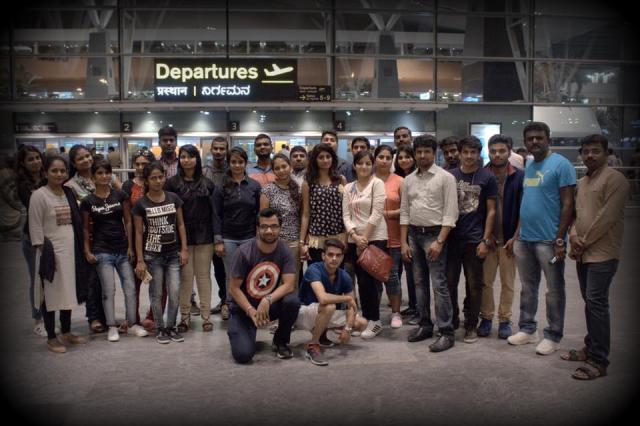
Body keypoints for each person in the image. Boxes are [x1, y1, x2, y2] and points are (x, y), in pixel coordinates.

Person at [564, 134, 630, 380]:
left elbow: (607, 218)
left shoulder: (616, 180)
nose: (590, 155)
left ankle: (599, 360)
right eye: (586, 151)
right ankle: (590, 347)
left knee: (597, 304)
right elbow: (575, 215)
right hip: (583, 253)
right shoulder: (582, 182)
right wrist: (573, 237)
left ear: (606, 153)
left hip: (603, 254)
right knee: (591, 303)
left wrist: (582, 243)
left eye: (596, 151)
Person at [508, 121, 576, 355]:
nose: (534, 141)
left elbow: (568, 204)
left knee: (554, 290)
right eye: (530, 138)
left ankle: (553, 336)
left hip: (549, 241)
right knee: (528, 287)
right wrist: (517, 234)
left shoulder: (561, 165)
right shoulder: (528, 165)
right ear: (525, 142)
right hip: (525, 239)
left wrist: (560, 239)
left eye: (539, 137)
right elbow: (527, 202)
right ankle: (528, 329)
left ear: (548, 139)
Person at [400, 135, 458, 352]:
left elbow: (451, 213)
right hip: (414, 235)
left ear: (434, 153)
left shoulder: (446, 178)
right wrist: (404, 242)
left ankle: (446, 332)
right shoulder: (408, 180)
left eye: (427, 151)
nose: (422, 155)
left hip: (435, 236)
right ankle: (425, 325)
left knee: (439, 285)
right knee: (419, 283)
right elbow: (404, 212)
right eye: (419, 152)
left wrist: (440, 241)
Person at [81, 161, 148, 342]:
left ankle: (132, 324)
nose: (104, 176)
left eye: (107, 172)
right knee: (108, 290)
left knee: (130, 288)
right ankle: (111, 326)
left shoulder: (120, 195)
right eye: (100, 173)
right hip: (102, 251)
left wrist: (130, 246)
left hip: (122, 249)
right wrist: (87, 250)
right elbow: (85, 228)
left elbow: (128, 221)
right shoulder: (88, 201)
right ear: (93, 177)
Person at [29, 155, 89, 353]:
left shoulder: (68, 192)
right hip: (50, 253)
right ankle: (51, 337)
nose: (59, 174)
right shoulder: (39, 196)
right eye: (54, 170)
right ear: (45, 172)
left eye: (62, 170)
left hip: (70, 252)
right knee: (50, 295)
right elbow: (35, 228)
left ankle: (66, 331)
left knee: (67, 291)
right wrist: (45, 254)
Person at [227, 208, 300, 363]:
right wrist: (250, 310)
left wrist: (267, 299)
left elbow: (289, 285)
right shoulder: (243, 252)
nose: (269, 231)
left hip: (267, 306)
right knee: (243, 355)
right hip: (243, 309)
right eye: (264, 226)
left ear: (280, 228)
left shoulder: (285, 251)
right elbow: (233, 288)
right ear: (257, 228)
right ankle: (239, 330)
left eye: (274, 226)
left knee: (292, 301)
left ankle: (280, 341)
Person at [446, 136, 497, 343]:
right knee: (449, 283)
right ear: (459, 153)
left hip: (474, 239)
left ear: (479, 154)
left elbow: (492, 211)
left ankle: (471, 324)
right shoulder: (450, 176)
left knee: (474, 285)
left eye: (473, 152)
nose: (469, 156)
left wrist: (485, 240)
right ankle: (452, 320)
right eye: (465, 152)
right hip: (451, 239)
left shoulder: (487, 177)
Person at [133, 162, 189, 344]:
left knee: (174, 291)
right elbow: (138, 233)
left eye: (160, 177)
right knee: (156, 293)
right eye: (153, 178)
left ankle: (171, 326)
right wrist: (140, 260)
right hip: (152, 256)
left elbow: (181, 224)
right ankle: (161, 328)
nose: (158, 181)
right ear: (146, 181)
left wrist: (184, 249)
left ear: (165, 177)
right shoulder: (140, 204)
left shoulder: (174, 198)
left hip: (173, 254)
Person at [166, 145, 216, 333]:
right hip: (182, 238)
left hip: (205, 236)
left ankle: (206, 317)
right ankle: (184, 318)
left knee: (203, 277)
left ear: (197, 159)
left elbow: (214, 213)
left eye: (190, 156)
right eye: (183, 157)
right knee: (186, 278)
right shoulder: (171, 184)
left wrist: (217, 237)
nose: (186, 160)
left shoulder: (208, 184)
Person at [478, 135, 524, 340]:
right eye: (493, 151)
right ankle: (486, 318)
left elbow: (524, 209)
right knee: (485, 282)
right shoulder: (481, 175)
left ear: (509, 151)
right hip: (487, 240)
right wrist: (484, 237)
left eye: (502, 151)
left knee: (508, 283)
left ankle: (505, 319)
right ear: (488, 152)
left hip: (508, 241)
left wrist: (516, 237)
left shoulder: (519, 176)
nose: (497, 154)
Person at [296, 239, 368, 366]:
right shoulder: (313, 269)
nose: (334, 258)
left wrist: (348, 328)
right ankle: (313, 345)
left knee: (362, 323)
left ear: (342, 257)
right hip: (303, 313)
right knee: (329, 306)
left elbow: (351, 307)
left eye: (338, 255)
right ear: (323, 256)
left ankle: (322, 332)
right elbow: (323, 298)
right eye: (330, 254)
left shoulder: (344, 276)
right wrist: (347, 298)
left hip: (322, 313)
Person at [343, 150, 388, 339]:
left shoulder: (377, 184)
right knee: (360, 282)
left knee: (370, 282)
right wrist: (355, 236)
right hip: (354, 239)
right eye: (360, 163)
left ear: (372, 166)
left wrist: (364, 239)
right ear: (354, 165)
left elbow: (377, 213)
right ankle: (365, 319)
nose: (364, 166)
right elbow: (346, 215)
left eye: (368, 163)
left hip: (375, 237)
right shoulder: (348, 187)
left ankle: (375, 321)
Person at [65, 145, 107, 334]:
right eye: (80, 158)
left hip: (106, 234)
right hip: (87, 236)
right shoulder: (70, 186)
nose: (86, 160)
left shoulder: (102, 175)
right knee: (91, 279)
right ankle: (94, 317)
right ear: (74, 163)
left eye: (87, 156)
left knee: (105, 278)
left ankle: (107, 316)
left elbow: (118, 194)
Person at [213, 147, 262, 305]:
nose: (237, 165)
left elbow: (259, 213)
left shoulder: (254, 186)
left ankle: (248, 306)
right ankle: (231, 306)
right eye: (233, 162)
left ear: (245, 163)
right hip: (228, 238)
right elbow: (216, 214)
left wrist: (259, 236)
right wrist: (218, 240)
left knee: (250, 273)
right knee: (232, 275)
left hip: (250, 237)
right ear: (228, 163)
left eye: (240, 162)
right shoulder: (221, 186)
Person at [122, 149, 158, 331]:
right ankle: (132, 318)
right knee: (133, 281)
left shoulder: (157, 182)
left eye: (144, 164)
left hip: (157, 238)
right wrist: (130, 246)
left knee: (158, 281)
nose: (140, 167)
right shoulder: (128, 185)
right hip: (135, 238)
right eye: (137, 163)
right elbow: (127, 218)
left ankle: (153, 316)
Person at [16, 145, 47, 336]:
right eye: (30, 159)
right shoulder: (23, 185)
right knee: (36, 279)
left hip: (51, 234)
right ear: (23, 163)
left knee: (49, 279)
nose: (35, 162)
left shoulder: (47, 177)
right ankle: (38, 320)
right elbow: (36, 205)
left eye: (37, 157)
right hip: (32, 237)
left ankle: (50, 318)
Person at [300, 143, 347, 265]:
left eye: (328, 156)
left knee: (337, 273)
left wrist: (347, 236)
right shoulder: (308, 182)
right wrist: (302, 242)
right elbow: (306, 213)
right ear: (315, 160)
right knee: (316, 272)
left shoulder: (341, 179)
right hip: (316, 239)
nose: (325, 160)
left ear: (333, 158)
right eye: (321, 157)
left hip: (338, 236)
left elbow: (347, 211)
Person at [374, 144, 404, 329]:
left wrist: (386, 214)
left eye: (388, 157)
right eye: (381, 157)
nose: (384, 161)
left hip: (393, 236)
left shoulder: (400, 181)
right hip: (373, 237)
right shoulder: (368, 179)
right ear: (375, 158)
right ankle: (373, 313)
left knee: (392, 276)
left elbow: (407, 209)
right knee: (374, 277)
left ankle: (396, 313)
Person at [260, 154, 302, 284]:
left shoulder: (299, 188)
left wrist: (302, 241)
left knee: (292, 281)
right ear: (273, 171)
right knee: (273, 280)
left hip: (294, 242)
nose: (281, 170)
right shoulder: (268, 190)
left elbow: (303, 216)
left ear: (290, 167)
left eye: (284, 166)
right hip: (273, 242)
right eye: (277, 168)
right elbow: (262, 219)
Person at [203, 136, 229, 319]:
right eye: (216, 148)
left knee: (231, 268)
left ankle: (230, 302)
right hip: (209, 226)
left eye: (222, 148)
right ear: (211, 150)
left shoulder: (233, 169)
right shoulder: (204, 171)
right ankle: (223, 299)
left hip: (230, 225)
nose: (219, 151)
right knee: (218, 268)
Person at [392, 145, 418, 323]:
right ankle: (412, 305)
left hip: (413, 230)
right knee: (404, 272)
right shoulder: (397, 178)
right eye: (400, 158)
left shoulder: (416, 177)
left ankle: (418, 308)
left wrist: (388, 213)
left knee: (415, 273)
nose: (404, 160)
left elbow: (407, 208)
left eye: (407, 157)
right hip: (398, 231)